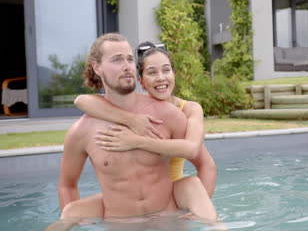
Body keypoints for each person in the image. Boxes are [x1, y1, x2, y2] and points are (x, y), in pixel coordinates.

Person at [57, 33, 216, 223]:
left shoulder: (171, 114)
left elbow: (203, 161)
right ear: (97, 67)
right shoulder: (82, 130)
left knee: (192, 186)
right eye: (117, 60)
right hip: (121, 223)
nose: (126, 66)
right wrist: (80, 225)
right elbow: (67, 185)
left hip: (168, 215)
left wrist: (196, 213)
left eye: (130, 59)